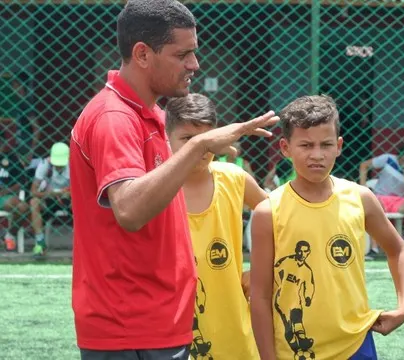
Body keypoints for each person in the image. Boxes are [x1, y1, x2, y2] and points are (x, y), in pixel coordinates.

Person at [68, 1, 278, 358]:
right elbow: (130, 210)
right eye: (183, 54)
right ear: (143, 54)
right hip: (129, 326)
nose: (194, 64)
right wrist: (197, 145)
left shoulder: (152, 114)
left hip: (159, 322)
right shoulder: (114, 117)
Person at [250, 95, 404, 360]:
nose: (317, 155)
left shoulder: (360, 198)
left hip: (356, 343)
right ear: (285, 147)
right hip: (296, 350)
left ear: (338, 146)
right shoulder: (269, 211)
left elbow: (398, 250)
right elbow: (259, 296)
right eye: (305, 145)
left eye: (326, 144)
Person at [166, 94, 267, 360]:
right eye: (188, 140)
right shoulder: (156, 187)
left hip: (232, 327)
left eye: (207, 139)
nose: (200, 148)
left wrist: (261, 268)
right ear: (167, 139)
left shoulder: (234, 178)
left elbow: (282, 220)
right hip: (169, 327)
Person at [359, 144, 404, 257]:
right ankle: (374, 250)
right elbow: (364, 165)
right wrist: (363, 187)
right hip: (379, 197)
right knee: (375, 205)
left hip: (398, 201)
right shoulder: (387, 158)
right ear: (398, 157)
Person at [29, 142, 72, 258]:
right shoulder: (45, 165)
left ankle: (83, 241)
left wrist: (68, 193)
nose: (58, 166)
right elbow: (33, 191)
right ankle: (40, 242)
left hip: (69, 199)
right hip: (48, 199)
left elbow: (83, 189)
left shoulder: (74, 165)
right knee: (34, 202)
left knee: (82, 206)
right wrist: (49, 193)